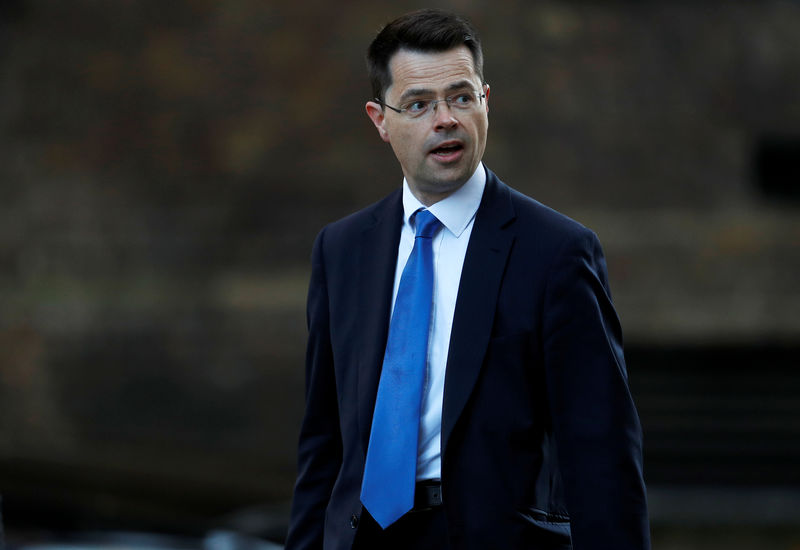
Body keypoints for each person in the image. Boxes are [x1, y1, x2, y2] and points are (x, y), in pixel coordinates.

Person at [285, 9, 649, 550]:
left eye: (460, 97)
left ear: (486, 102)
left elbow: (600, 452)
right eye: (418, 104)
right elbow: (324, 443)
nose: (445, 119)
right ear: (379, 120)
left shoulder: (556, 252)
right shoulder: (341, 250)